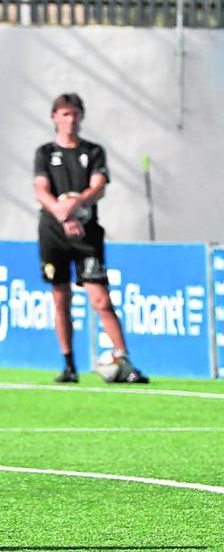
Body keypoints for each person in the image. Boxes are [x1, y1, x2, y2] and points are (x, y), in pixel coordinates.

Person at [32, 93, 148, 385]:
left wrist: (77, 202)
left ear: (81, 117)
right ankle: (69, 365)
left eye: (74, 114)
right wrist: (62, 213)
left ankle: (123, 360)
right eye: (64, 114)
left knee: (101, 299)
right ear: (54, 117)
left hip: (86, 235)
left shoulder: (93, 151)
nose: (70, 120)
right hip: (53, 234)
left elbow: (98, 187)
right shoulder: (45, 153)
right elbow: (40, 190)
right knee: (61, 299)